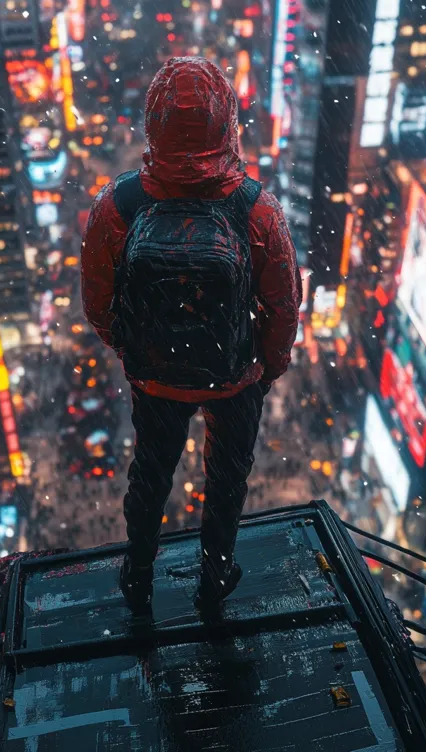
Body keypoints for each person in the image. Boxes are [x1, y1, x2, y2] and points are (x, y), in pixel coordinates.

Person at [81, 57, 301, 614]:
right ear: (227, 122)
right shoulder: (255, 208)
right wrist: (265, 366)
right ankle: (215, 575)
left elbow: (97, 299)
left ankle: (139, 573)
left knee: (151, 473)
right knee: (226, 483)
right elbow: (282, 305)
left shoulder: (120, 204)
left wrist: (133, 350)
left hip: (156, 376)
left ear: (151, 123)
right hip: (233, 376)